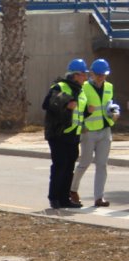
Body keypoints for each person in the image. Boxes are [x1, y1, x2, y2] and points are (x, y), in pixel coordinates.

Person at [72, 58, 119, 207]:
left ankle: (99, 197)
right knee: (84, 162)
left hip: (105, 130)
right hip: (89, 131)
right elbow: (78, 108)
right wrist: (82, 125)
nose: (101, 77)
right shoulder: (84, 87)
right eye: (98, 74)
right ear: (92, 73)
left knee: (102, 164)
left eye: (103, 75)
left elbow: (111, 103)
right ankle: (72, 189)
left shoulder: (109, 87)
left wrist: (115, 112)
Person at [42, 58, 86, 209]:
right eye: (82, 74)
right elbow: (47, 104)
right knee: (60, 166)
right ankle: (54, 198)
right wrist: (66, 104)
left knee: (69, 168)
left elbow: (81, 111)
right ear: (75, 75)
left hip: (74, 134)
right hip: (59, 134)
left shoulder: (81, 90)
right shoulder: (60, 86)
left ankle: (64, 198)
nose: (85, 77)